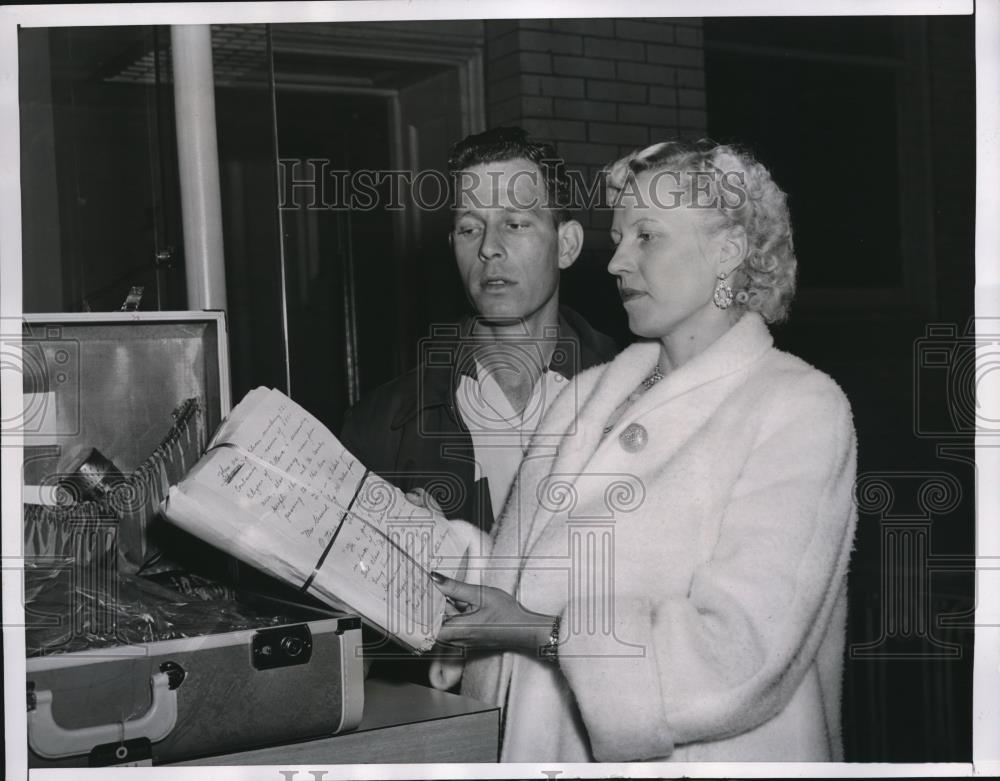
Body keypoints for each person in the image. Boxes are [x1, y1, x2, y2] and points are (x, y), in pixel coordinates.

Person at [427, 140, 858, 762]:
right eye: (619, 237)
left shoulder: (796, 407)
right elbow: (524, 579)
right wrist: (425, 545)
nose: (616, 263)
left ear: (728, 252)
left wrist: (534, 633)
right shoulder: (585, 398)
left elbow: (741, 654)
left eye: (646, 237)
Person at [339, 126, 618, 677]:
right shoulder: (383, 422)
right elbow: (352, 642)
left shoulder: (633, 398)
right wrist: (403, 563)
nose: (489, 247)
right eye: (470, 227)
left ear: (566, 244)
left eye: (515, 223)